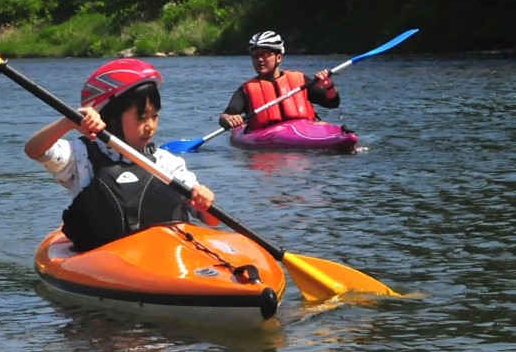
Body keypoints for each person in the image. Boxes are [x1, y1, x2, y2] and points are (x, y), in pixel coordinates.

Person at [23, 58, 218, 252]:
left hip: (164, 255)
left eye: (155, 116)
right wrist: (69, 122)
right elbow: (34, 150)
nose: (150, 126)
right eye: (141, 117)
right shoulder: (80, 156)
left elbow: (210, 220)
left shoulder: (166, 162)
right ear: (112, 118)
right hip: (102, 258)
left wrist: (204, 201)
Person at [217, 30, 339, 132]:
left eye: (264, 55)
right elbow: (226, 115)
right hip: (268, 136)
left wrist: (329, 87)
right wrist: (229, 118)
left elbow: (332, 103)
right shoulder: (246, 90)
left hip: (305, 131)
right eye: (255, 56)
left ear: (278, 57)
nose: (259, 59)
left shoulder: (300, 80)